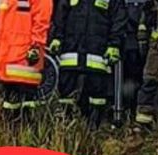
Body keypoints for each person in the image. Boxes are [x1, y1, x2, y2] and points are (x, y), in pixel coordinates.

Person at [49, 0, 130, 128]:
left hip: (98, 52)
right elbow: (60, 16)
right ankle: (66, 128)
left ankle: (95, 128)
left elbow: (119, 19)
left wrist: (115, 44)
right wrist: (57, 37)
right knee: (66, 92)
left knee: (97, 94)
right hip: (71, 50)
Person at [0, 0, 53, 118]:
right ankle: (12, 133)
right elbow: (0, 25)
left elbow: (41, 22)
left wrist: (36, 47)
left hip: (24, 60)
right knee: (10, 105)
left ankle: (27, 131)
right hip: (7, 62)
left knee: (27, 105)